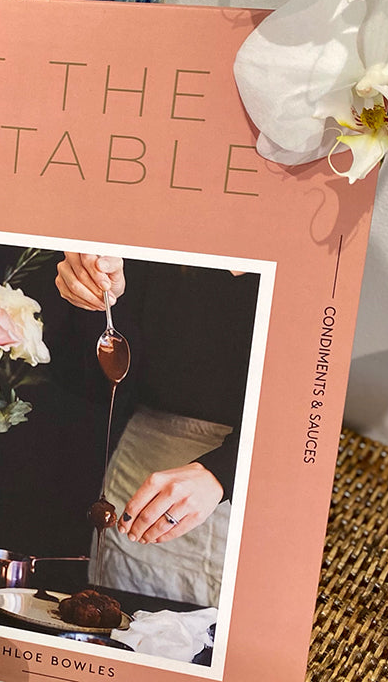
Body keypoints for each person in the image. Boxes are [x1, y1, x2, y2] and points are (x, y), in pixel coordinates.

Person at [56, 251, 260, 607]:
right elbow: (89, 385)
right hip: (135, 477)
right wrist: (94, 301)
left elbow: (307, 408)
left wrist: (224, 472)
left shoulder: (308, 256)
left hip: (248, 488)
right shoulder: (154, 240)